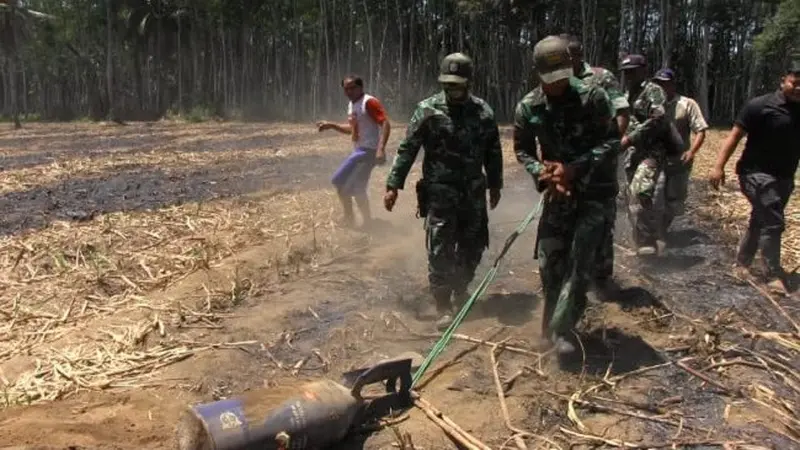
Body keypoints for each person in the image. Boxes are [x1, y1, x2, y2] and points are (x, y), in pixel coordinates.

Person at [514, 35, 620, 353]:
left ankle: (562, 331)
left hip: (593, 193)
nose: (557, 86)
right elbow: (522, 149)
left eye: (562, 78)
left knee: (579, 264)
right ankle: (550, 322)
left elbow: (612, 141)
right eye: (550, 80)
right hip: (557, 195)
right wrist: (542, 173)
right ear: (537, 73)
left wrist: (575, 168)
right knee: (550, 262)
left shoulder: (593, 96)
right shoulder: (528, 106)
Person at [384, 52, 503, 330]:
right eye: (447, 84)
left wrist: (495, 184)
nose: (451, 89)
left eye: (457, 84)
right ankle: (442, 303)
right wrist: (393, 185)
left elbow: (493, 151)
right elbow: (408, 148)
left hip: (473, 192)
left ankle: (461, 289)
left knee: (473, 246)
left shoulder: (483, 112)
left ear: (469, 82)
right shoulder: (427, 110)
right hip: (440, 193)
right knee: (440, 249)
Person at [709, 61, 800, 296]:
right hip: (754, 174)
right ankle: (772, 275)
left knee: (760, 219)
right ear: (783, 81)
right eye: (795, 83)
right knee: (773, 220)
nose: (798, 88)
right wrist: (718, 167)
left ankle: (742, 264)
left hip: (784, 177)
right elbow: (735, 136)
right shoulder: (760, 106)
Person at [561, 33, 630, 296]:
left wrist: (611, 145)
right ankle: (568, 276)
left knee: (601, 220)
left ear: (578, 55)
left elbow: (622, 112)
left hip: (599, 163)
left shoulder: (602, 77)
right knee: (566, 218)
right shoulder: (558, 78)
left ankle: (602, 278)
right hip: (568, 163)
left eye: (567, 57)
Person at [619, 54, 682, 256]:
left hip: (653, 150)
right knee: (630, 196)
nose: (628, 76)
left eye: (632, 72)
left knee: (641, 189)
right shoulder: (626, 93)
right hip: (632, 153)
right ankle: (640, 241)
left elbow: (658, 118)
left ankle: (648, 240)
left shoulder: (653, 91)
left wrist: (631, 138)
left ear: (643, 70)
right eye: (625, 73)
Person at [317, 75, 391, 227]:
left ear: (360, 87)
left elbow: (385, 123)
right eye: (346, 89)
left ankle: (368, 222)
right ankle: (349, 218)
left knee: (357, 188)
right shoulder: (352, 105)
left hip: (369, 151)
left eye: (352, 88)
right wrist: (332, 125)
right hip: (358, 152)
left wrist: (381, 149)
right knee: (338, 181)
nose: (349, 91)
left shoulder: (369, 102)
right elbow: (352, 129)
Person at [652, 68, 709, 230]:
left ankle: (662, 229)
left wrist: (691, 152)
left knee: (673, 199)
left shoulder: (687, 104)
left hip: (678, 159)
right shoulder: (650, 104)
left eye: (665, 84)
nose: (662, 88)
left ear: (673, 84)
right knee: (654, 195)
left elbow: (701, 130)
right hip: (655, 158)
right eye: (659, 84)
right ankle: (653, 233)